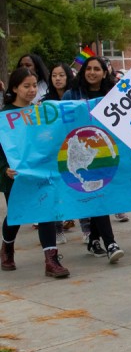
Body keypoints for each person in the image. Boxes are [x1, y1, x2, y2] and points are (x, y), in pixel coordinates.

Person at [1, 68, 70, 278]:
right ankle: (7, 248)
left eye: (34, 85)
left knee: (45, 210)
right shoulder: (4, 117)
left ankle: (51, 260)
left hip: (40, 171)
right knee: (17, 213)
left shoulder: (39, 113)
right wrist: (5, 168)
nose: (32, 90)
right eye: (26, 86)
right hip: (13, 176)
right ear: (14, 88)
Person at [63, 57, 125, 263]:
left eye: (97, 69)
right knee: (98, 194)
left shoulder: (114, 94)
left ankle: (93, 239)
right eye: (88, 68)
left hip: (106, 153)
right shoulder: (71, 95)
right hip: (83, 155)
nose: (92, 72)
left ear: (104, 72)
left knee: (104, 195)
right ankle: (111, 244)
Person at [44, 62, 76, 244]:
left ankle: (87, 229)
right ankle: (57, 228)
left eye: (61, 75)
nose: (57, 78)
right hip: (54, 150)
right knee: (56, 189)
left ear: (68, 77)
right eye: (54, 75)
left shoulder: (75, 97)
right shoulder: (45, 101)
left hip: (73, 147)